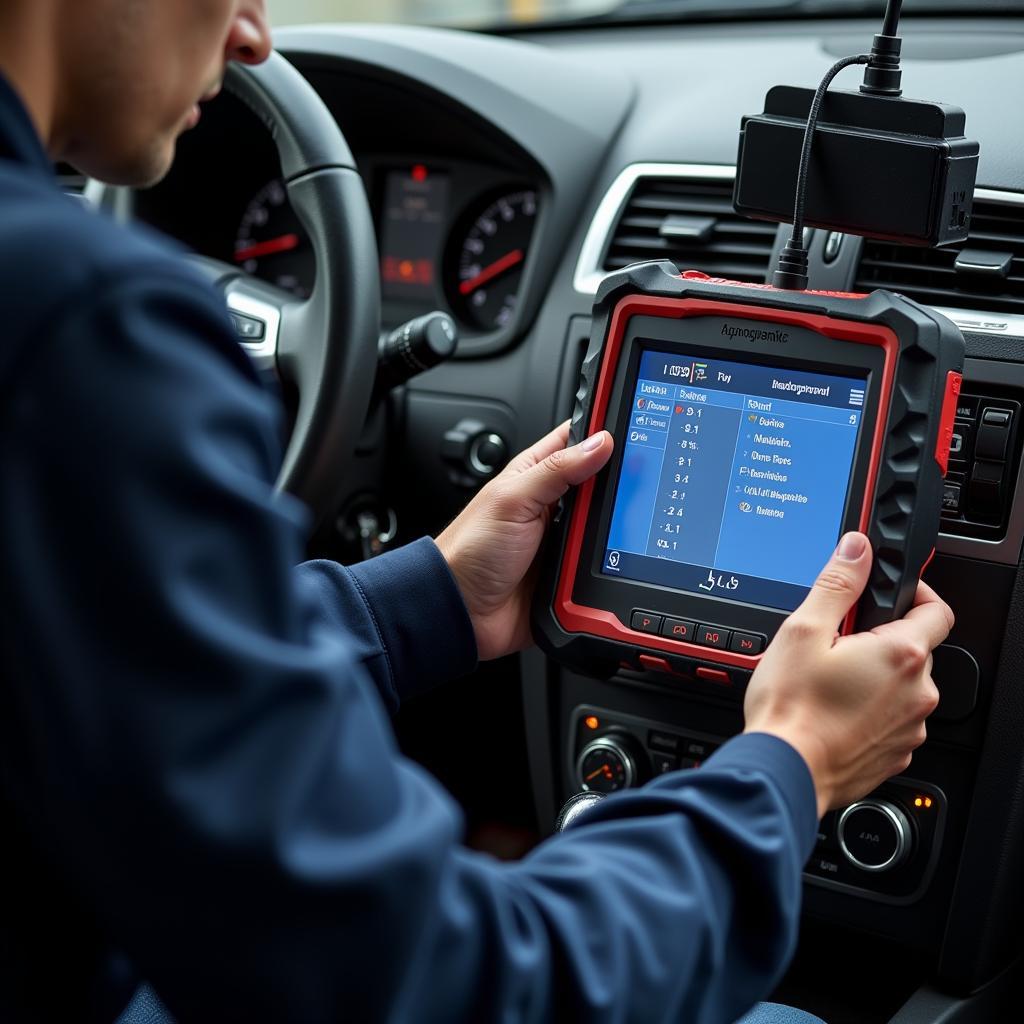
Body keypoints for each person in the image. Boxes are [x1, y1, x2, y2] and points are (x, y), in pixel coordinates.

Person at [0, 2, 952, 1022]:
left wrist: (433, 597)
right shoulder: (84, 325)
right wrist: (791, 765)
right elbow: (451, 982)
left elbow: (113, 668)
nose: (250, 34)